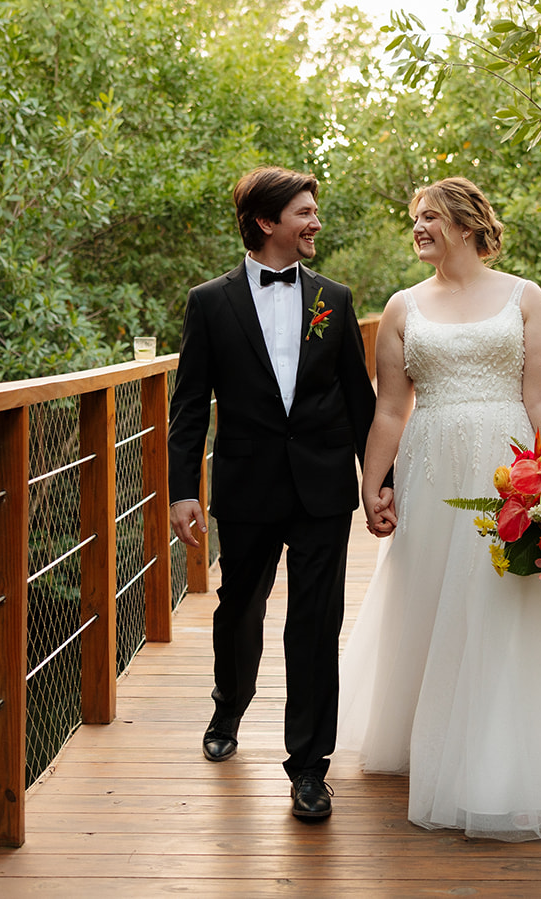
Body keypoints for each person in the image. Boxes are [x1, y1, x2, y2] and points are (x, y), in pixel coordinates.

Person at [338, 176, 541, 841]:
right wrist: (373, 484)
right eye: (415, 218)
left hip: (508, 462)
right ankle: (430, 732)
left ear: (466, 222)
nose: (418, 227)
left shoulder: (524, 296)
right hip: (430, 463)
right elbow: (391, 408)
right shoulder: (402, 307)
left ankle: (500, 751)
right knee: (427, 594)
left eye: (429, 216)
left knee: (501, 598)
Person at [167, 166, 390, 822]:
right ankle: (228, 702)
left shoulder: (336, 299)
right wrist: (184, 490)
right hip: (246, 485)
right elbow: (187, 407)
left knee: (316, 624)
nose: (315, 221)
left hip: (322, 486)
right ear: (267, 222)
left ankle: (309, 768)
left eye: (315, 210)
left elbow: (360, 398)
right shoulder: (209, 302)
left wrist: (380, 483)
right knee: (241, 606)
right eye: (304, 211)